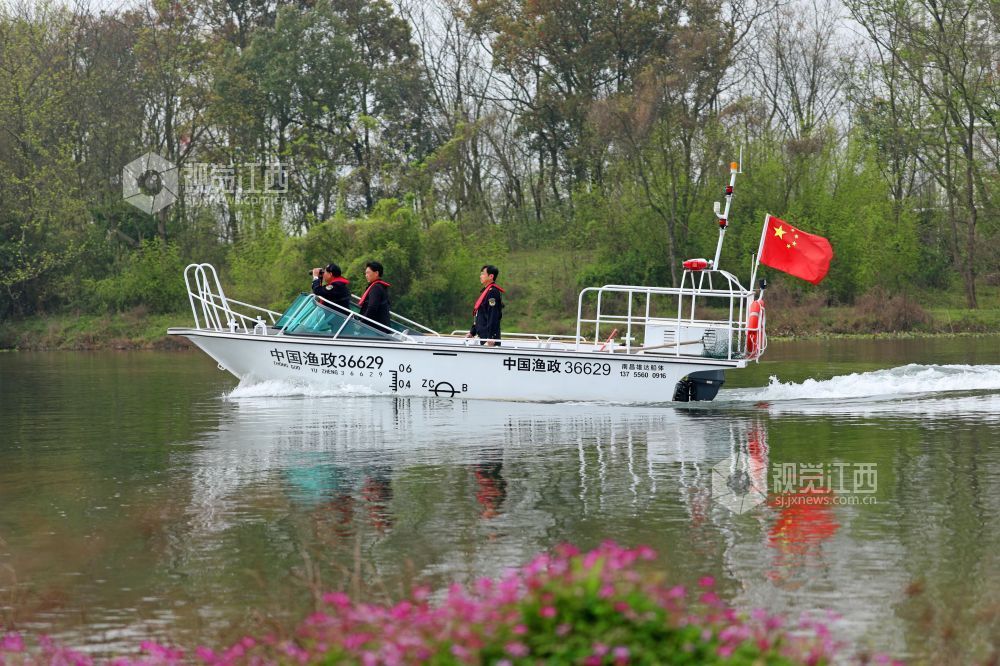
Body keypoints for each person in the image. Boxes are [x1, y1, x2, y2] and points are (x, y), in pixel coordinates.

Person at [467, 264, 504, 346]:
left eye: (483, 274)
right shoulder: (486, 291)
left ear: (491, 276)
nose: (480, 276)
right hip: (483, 336)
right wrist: (472, 332)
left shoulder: (492, 292)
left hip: (489, 339)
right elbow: (481, 314)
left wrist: (491, 337)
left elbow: (493, 315)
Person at [358, 260, 391, 330]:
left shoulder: (376, 288)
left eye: (368, 273)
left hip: (374, 329)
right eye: (365, 273)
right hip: (380, 327)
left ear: (376, 273)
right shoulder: (381, 286)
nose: (366, 275)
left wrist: (361, 322)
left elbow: (372, 308)